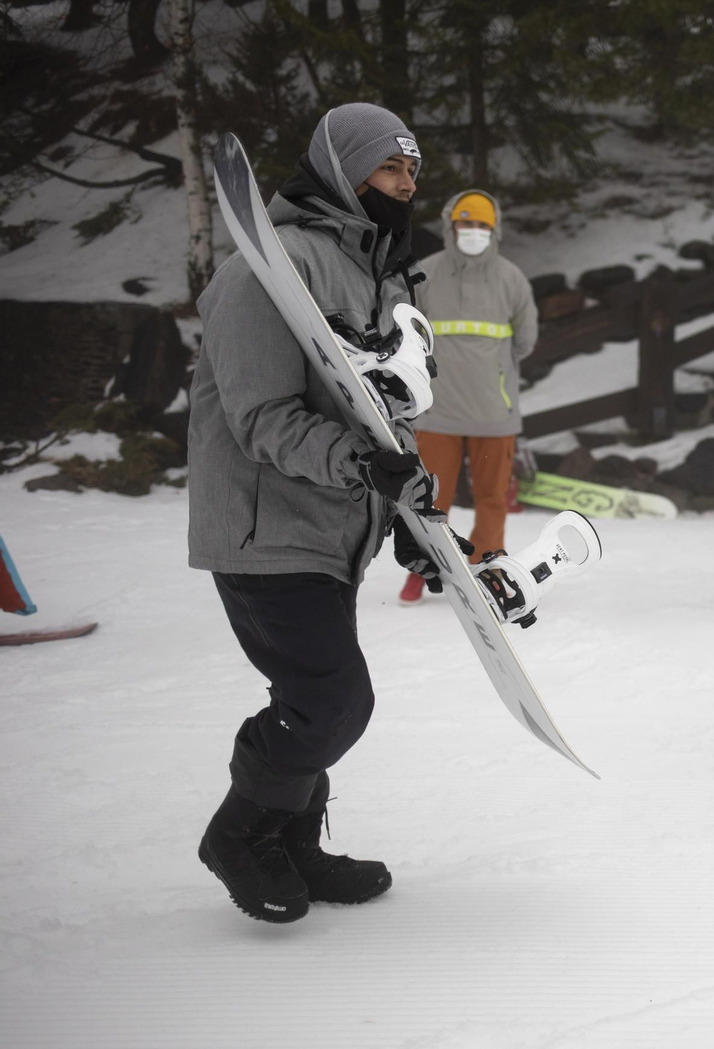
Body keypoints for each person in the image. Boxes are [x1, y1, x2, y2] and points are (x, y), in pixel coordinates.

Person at [188, 102, 445, 923]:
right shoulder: (263, 271)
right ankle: (238, 833)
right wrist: (361, 467)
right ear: (344, 169)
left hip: (333, 530)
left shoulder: (382, 273)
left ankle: (292, 840)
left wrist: (404, 512)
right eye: (391, 169)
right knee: (333, 699)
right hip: (264, 526)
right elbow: (259, 416)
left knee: (312, 692)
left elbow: (381, 412)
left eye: (412, 172)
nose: (406, 186)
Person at [403, 189, 539, 604]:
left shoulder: (512, 279)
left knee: (492, 499)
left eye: (482, 225)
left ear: (494, 230)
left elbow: (526, 339)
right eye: (466, 223)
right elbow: (407, 330)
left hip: (493, 414)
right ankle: (422, 572)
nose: (474, 232)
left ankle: (488, 568)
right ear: (451, 226)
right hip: (437, 411)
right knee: (430, 499)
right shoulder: (425, 274)